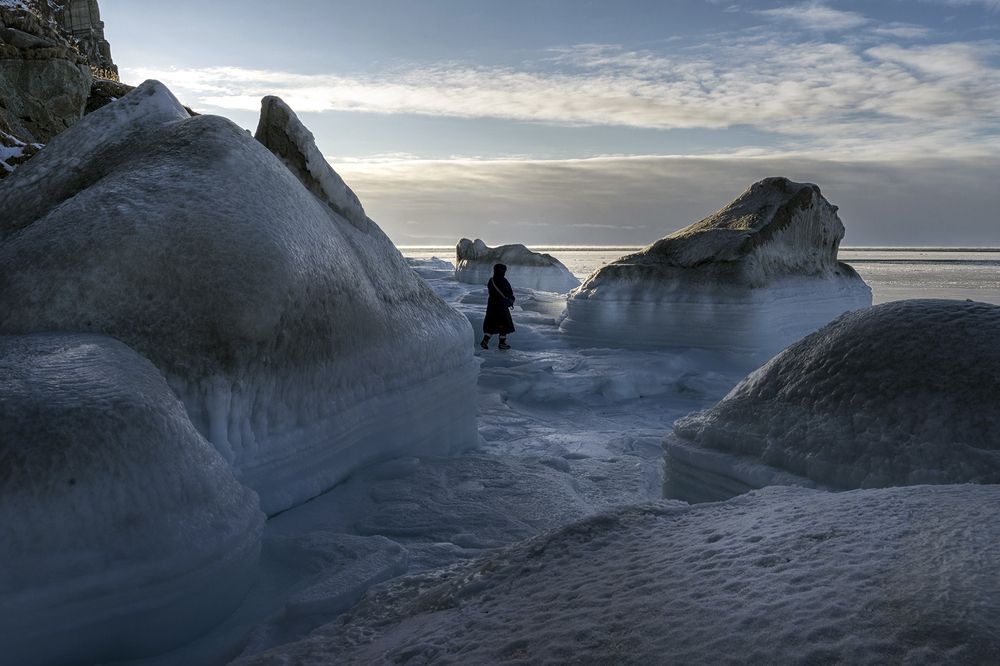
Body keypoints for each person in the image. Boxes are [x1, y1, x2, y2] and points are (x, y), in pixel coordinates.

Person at [480, 263, 515, 350]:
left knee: (492, 324)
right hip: (501, 306)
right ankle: (502, 343)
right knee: (504, 325)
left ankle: (485, 341)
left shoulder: (491, 280)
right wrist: (511, 300)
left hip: (492, 305)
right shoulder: (504, 281)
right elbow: (509, 293)